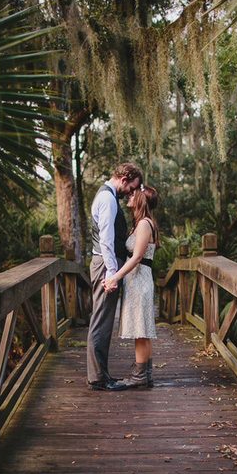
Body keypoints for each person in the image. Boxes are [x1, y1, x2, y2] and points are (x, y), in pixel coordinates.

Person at [86, 162, 143, 391]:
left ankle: (100, 374)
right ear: (124, 178)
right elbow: (106, 242)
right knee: (101, 321)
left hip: (104, 264)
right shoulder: (108, 200)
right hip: (105, 265)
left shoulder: (107, 196)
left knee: (103, 320)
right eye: (132, 187)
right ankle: (98, 378)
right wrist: (112, 275)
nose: (132, 192)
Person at [102, 185, 159, 388]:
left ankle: (139, 377)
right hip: (136, 280)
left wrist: (113, 278)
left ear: (142, 199)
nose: (130, 194)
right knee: (141, 330)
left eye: (134, 193)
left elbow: (136, 258)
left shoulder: (144, 224)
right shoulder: (140, 224)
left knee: (140, 331)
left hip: (140, 280)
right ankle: (146, 375)